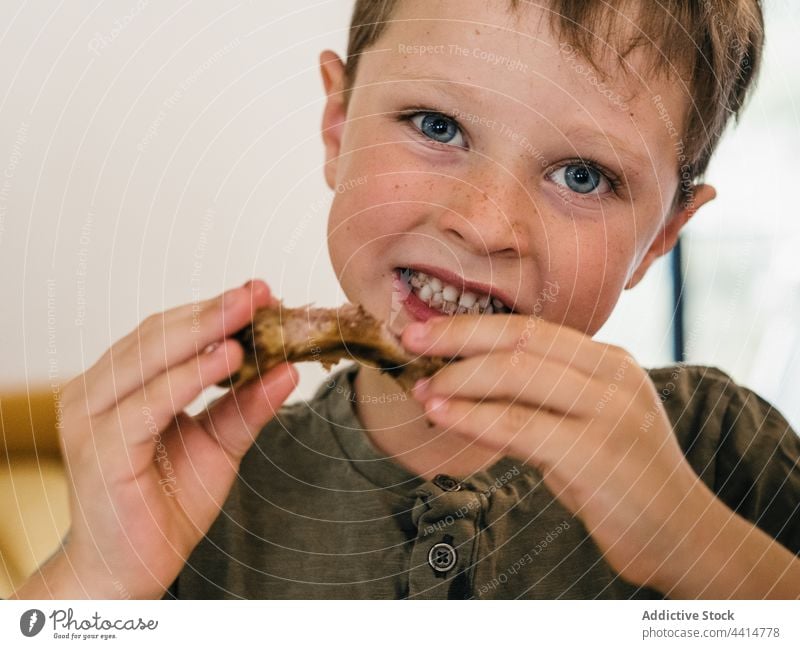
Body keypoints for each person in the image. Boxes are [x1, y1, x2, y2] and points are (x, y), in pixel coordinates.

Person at [10, 0, 800, 600]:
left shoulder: (726, 456)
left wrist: (704, 550)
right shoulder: (207, 496)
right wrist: (97, 580)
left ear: (660, 239)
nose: (485, 223)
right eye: (436, 124)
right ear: (337, 124)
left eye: (583, 176)